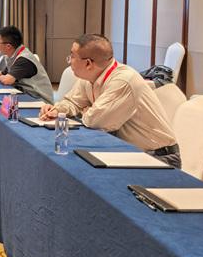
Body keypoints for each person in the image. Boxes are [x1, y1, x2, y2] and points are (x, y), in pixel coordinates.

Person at [39, 34, 180, 167]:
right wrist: (57, 110)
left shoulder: (123, 80)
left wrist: (87, 112)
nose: (69, 60)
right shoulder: (90, 76)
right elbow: (73, 102)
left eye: (72, 56)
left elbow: (95, 122)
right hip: (127, 152)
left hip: (159, 157)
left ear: (88, 63)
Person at [0, 25, 53, 103]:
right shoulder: (11, 55)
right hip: (24, 93)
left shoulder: (24, 59)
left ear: (8, 46)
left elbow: (7, 80)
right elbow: (3, 73)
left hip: (39, 100)